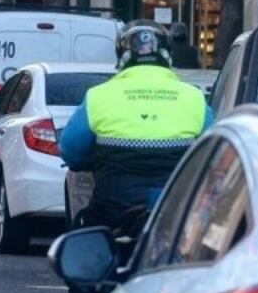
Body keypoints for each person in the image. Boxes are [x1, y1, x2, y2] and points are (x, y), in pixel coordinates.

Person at [59, 20, 213, 232]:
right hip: (175, 210)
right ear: (168, 55)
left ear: (121, 56)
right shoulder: (194, 97)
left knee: (87, 241)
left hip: (113, 211)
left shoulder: (98, 96)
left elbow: (70, 151)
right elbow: (214, 152)